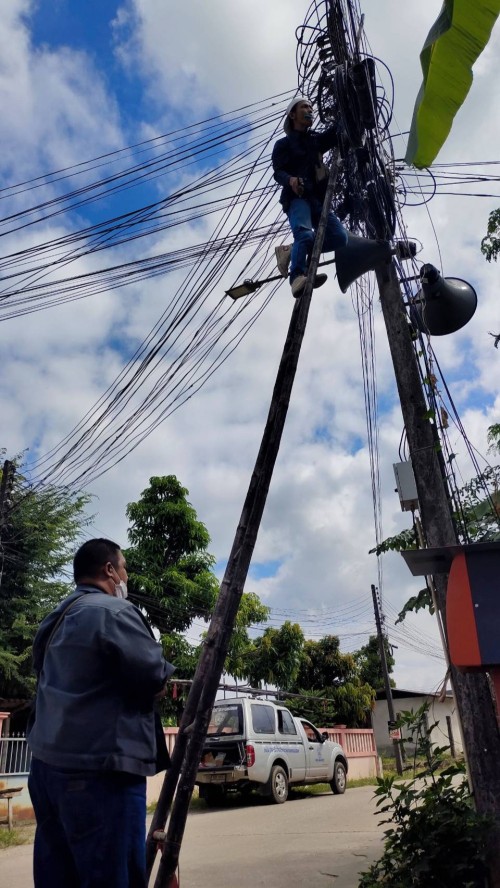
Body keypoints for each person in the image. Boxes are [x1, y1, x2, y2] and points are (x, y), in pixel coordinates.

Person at [27, 537, 175, 888]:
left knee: (59, 878)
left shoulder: (54, 618)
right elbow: (155, 676)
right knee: (113, 877)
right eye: (124, 568)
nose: (126, 577)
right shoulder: (116, 612)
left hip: (46, 772)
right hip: (101, 774)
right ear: (110, 570)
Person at [272, 96, 349, 298]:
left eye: (311, 107)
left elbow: (336, 133)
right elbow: (277, 172)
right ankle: (297, 276)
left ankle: (291, 250)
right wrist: (291, 180)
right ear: (292, 114)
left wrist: (348, 104)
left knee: (339, 237)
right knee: (304, 234)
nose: (310, 110)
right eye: (304, 107)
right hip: (296, 197)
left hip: (317, 200)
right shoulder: (283, 144)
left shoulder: (314, 141)